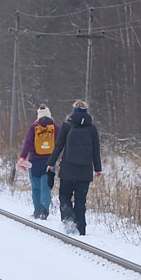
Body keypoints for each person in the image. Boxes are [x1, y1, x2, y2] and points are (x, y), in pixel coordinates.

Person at [47, 100, 102, 235]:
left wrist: (51, 162)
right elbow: (96, 150)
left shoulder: (67, 126)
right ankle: (81, 229)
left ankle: (68, 218)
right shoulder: (92, 128)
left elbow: (58, 146)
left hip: (68, 170)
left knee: (64, 195)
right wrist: (98, 168)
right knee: (80, 200)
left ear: (73, 111)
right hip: (85, 171)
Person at [17, 104, 59, 219]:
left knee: (36, 188)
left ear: (38, 116)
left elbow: (28, 143)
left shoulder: (34, 127)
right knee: (46, 187)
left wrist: (22, 157)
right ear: (50, 115)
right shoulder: (55, 127)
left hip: (34, 162)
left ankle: (36, 211)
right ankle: (44, 211)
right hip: (49, 162)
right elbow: (61, 145)